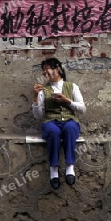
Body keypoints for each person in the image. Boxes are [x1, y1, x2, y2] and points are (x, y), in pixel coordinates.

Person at [32, 58, 86, 189]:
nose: (45, 72)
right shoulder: (43, 90)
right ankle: (54, 170)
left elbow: (83, 109)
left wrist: (67, 101)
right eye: (43, 70)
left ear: (58, 69)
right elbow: (38, 116)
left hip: (69, 120)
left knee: (70, 127)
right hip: (50, 121)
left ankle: (69, 167)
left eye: (48, 68)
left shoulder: (72, 87)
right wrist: (35, 97)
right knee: (53, 131)